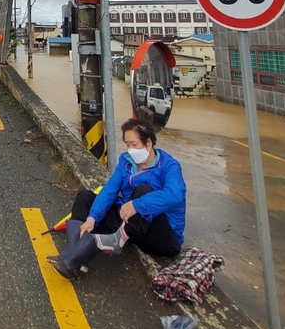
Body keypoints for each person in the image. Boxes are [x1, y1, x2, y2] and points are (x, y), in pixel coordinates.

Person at [47, 118, 186, 279]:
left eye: (134, 145)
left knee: (144, 190)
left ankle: (115, 241)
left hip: (160, 234)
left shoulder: (169, 166)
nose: (130, 149)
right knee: (85, 197)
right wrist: (92, 218)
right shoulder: (126, 161)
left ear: (148, 143)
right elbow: (110, 190)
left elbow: (175, 196)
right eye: (127, 145)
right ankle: (71, 256)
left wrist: (137, 204)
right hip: (131, 225)